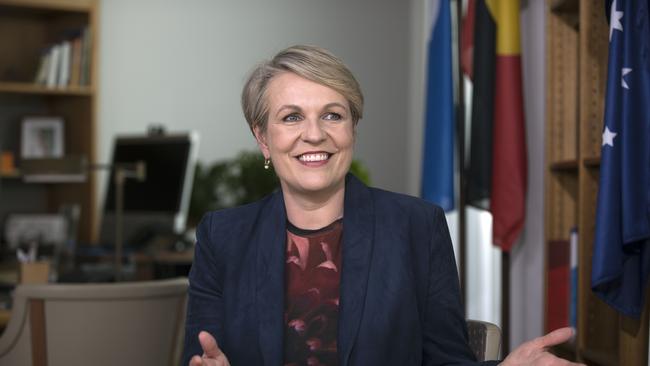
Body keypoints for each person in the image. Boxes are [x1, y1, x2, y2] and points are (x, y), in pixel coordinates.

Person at [183, 45, 582, 366]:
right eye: (291, 117)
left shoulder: (417, 226)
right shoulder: (223, 237)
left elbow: (447, 360)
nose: (314, 134)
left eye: (332, 115)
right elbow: (201, 356)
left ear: (352, 129)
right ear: (263, 139)